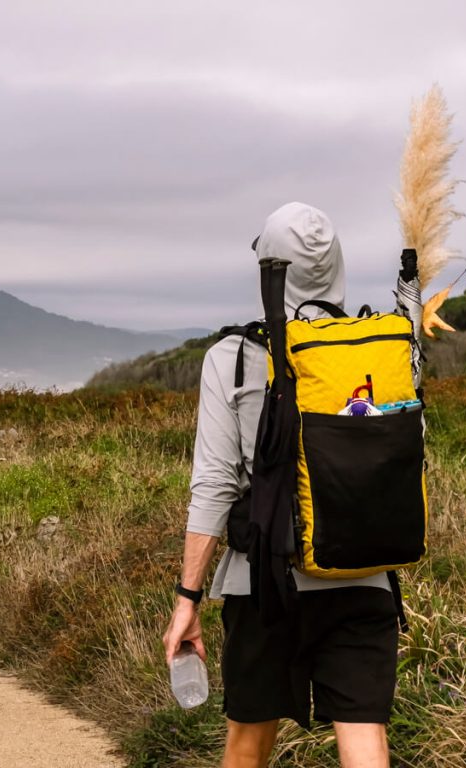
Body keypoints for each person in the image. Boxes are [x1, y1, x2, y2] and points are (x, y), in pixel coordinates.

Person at [163, 202, 400, 768]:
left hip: (263, 586)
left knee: (248, 742)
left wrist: (188, 599)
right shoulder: (383, 351)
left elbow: (214, 487)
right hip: (365, 578)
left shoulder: (233, 358)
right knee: (365, 740)